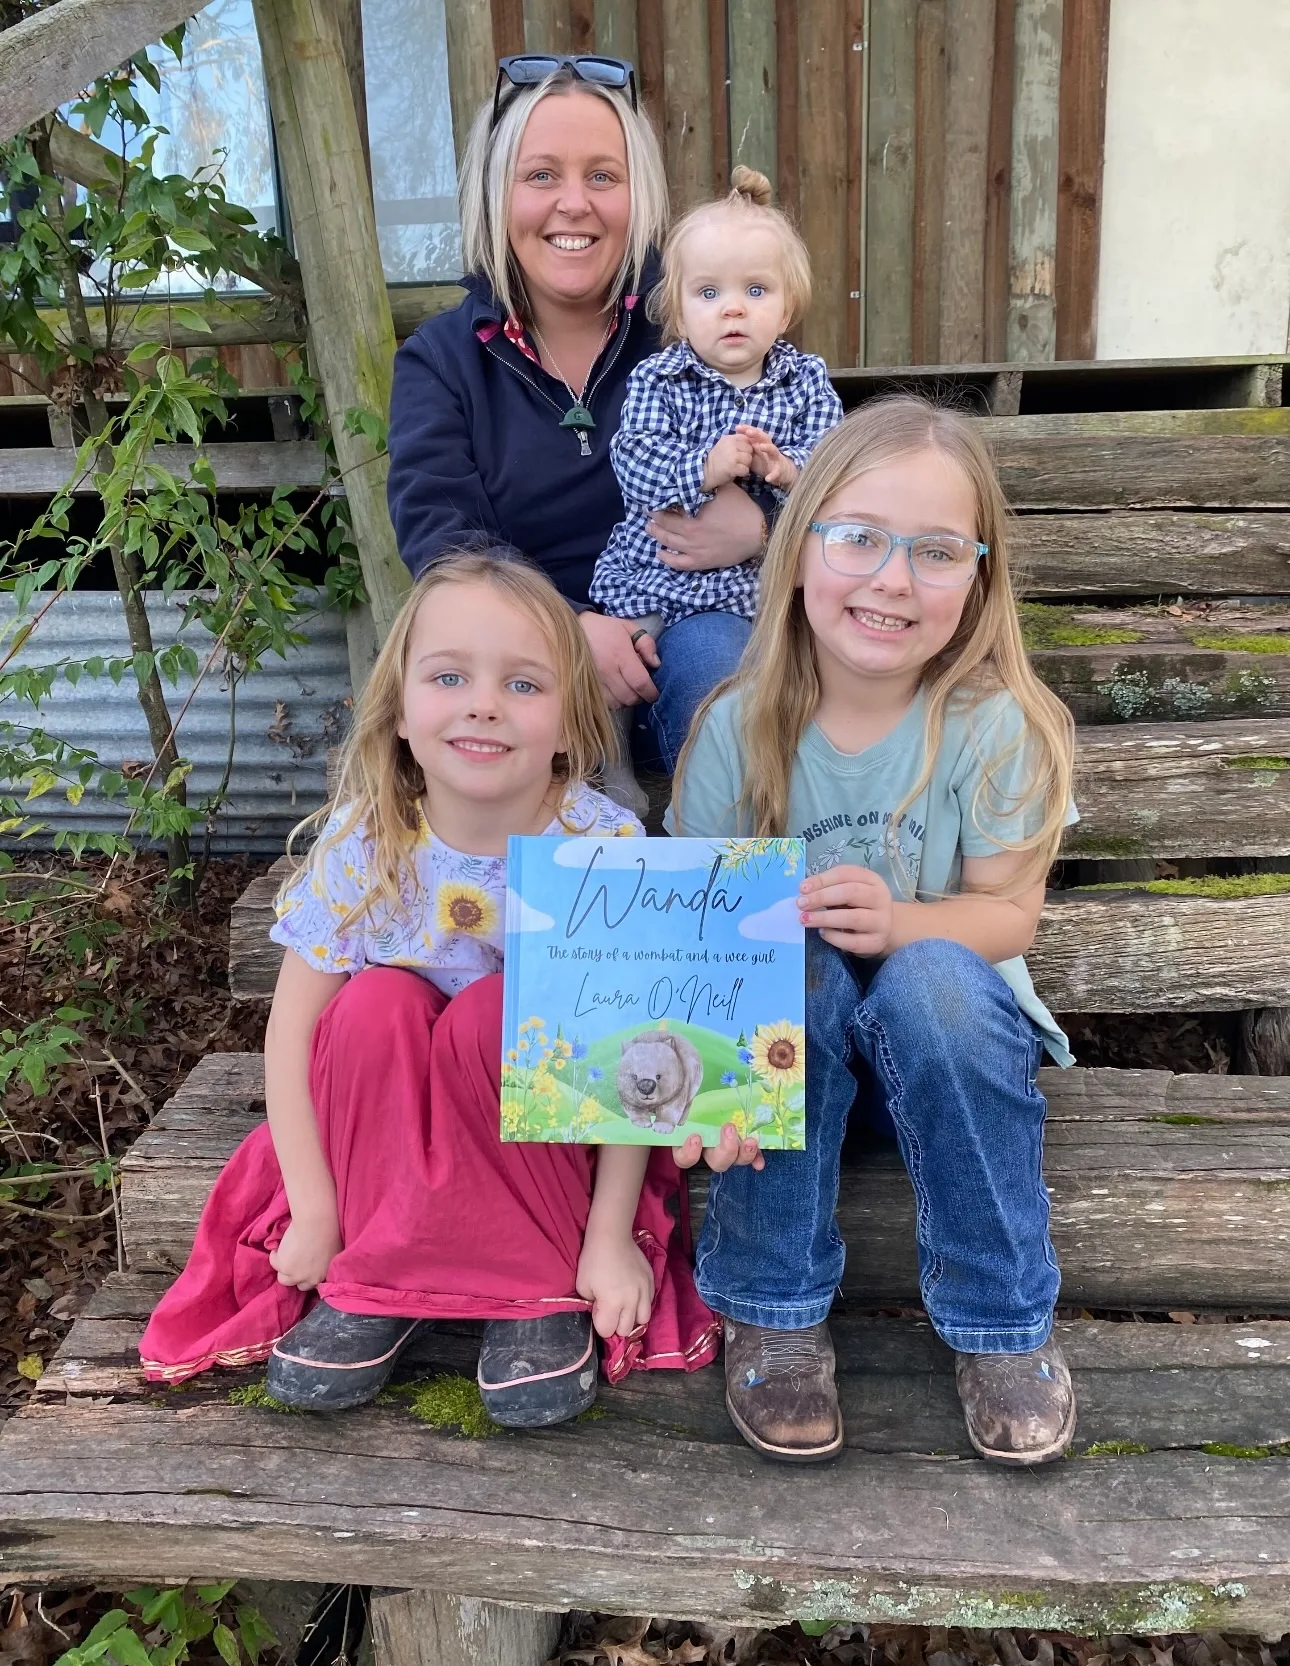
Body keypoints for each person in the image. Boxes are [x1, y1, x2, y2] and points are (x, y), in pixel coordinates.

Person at [139, 550, 720, 1426]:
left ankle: (534, 1283)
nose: (483, 703)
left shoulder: (598, 845)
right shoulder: (367, 842)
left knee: (494, 1011)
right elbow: (292, 1038)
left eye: (523, 684)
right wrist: (315, 1211)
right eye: (450, 677)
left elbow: (628, 1054)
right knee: (375, 1004)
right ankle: (378, 1274)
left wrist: (608, 1239)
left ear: (572, 723)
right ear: (401, 711)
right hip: (384, 1146)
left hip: (542, 1155)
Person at [668, 395, 1078, 1466]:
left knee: (932, 973)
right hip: (789, 1079)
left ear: (978, 577)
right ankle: (772, 1306)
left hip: (949, 1068)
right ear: (800, 548)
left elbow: (1010, 914)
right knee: (790, 963)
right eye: (858, 537)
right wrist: (690, 1086)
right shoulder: (736, 726)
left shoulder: (996, 725)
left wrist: (900, 923)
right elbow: (695, 938)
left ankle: (1003, 1322)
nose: (893, 579)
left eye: (936, 551)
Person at [387, 54, 772, 771]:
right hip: (517, 653)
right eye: (541, 176)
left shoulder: (700, 326)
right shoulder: (440, 363)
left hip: (696, 620)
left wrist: (765, 528)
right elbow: (444, 546)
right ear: (497, 195)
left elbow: (822, 470)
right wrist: (564, 631)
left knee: (725, 687)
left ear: (638, 194)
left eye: (602, 176)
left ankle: (736, 844)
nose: (574, 203)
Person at [590, 164, 843, 771]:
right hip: (656, 575)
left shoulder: (806, 382)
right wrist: (704, 467)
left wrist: (789, 473)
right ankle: (610, 765)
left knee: (779, 671)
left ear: (787, 307)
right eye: (709, 294)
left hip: (759, 592)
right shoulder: (660, 379)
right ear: (679, 313)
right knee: (618, 663)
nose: (733, 309)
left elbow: (839, 474)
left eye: (755, 291)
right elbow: (633, 462)